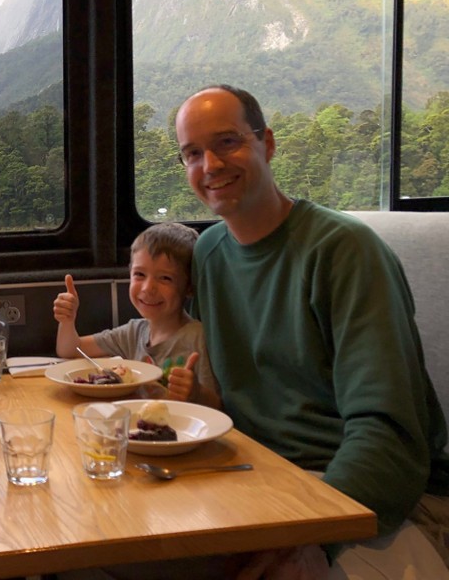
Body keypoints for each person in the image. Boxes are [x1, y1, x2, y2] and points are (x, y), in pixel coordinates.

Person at [175, 84, 449, 578]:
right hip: (261, 478)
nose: (211, 166)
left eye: (228, 142)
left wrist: (307, 531)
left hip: (375, 492)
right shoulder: (209, 254)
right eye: (193, 153)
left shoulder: (344, 252)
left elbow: (389, 435)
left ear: (268, 143)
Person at [54, 222, 219, 407]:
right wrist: (67, 321)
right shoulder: (134, 332)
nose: (148, 288)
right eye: (139, 274)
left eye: (165, 278)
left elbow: (217, 405)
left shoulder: (197, 337)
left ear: (189, 287)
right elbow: (71, 350)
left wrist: (195, 392)